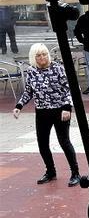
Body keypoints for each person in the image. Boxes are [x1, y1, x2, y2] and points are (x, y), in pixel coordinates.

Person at [12, 43, 80, 186]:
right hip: (42, 111)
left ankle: (75, 173)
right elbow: (29, 91)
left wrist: (67, 107)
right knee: (42, 144)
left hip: (60, 110)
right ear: (33, 57)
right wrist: (19, 106)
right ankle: (50, 171)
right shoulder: (31, 71)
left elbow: (72, 89)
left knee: (64, 142)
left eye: (44, 54)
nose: (42, 57)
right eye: (38, 55)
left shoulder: (58, 68)